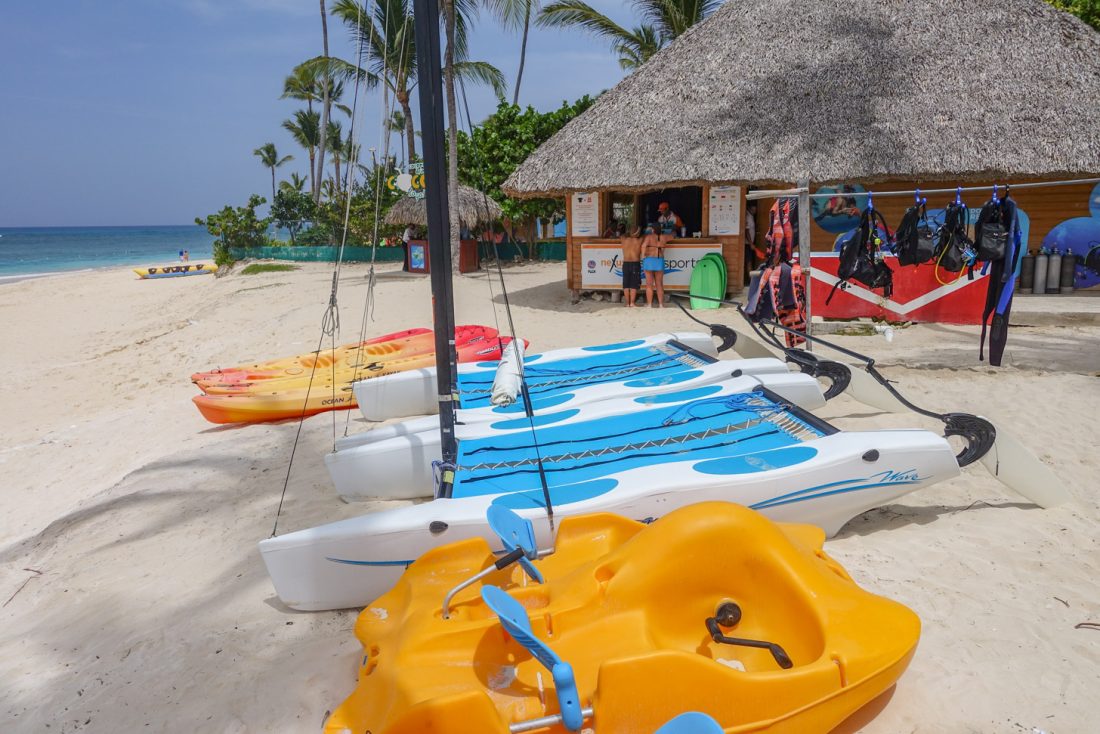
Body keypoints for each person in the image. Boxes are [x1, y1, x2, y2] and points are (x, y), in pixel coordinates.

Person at [642, 224, 665, 307]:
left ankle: (649, 304)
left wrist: (643, 256)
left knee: (649, 284)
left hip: (649, 260)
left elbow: (644, 245)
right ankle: (661, 305)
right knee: (659, 284)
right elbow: (662, 250)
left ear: (653, 229)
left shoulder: (648, 237)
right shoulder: (662, 237)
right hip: (659, 260)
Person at [619, 226, 643, 307]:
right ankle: (632, 303)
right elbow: (644, 236)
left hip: (626, 263)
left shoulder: (623, 239)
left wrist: (629, 232)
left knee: (626, 284)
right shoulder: (639, 240)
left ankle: (627, 303)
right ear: (637, 233)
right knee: (633, 284)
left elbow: (622, 235)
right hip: (635, 263)